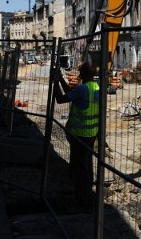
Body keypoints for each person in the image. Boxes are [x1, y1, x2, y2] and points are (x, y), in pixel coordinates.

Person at [53, 62, 100, 209]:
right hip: (92, 133)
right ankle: (85, 194)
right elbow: (71, 95)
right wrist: (61, 79)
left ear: (83, 74)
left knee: (79, 167)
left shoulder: (82, 89)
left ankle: (83, 198)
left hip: (79, 134)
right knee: (86, 164)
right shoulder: (96, 88)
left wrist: (54, 82)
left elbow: (61, 99)